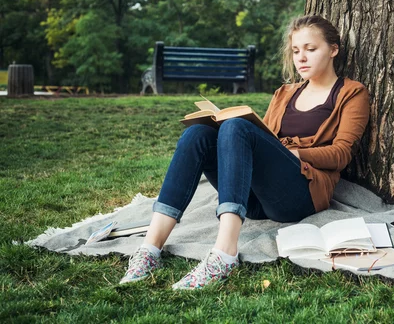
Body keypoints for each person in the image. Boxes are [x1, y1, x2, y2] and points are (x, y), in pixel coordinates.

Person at [119, 15, 370, 290]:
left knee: (238, 126)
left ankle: (224, 255)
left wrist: (297, 155)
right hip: (256, 200)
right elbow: (264, 141)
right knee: (198, 134)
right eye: (296, 51)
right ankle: (149, 250)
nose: (302, 58)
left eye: (311, 49)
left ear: (333, 49)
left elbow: (342, 153)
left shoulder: (351, 93)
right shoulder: (284, 93)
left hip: (301, 194)